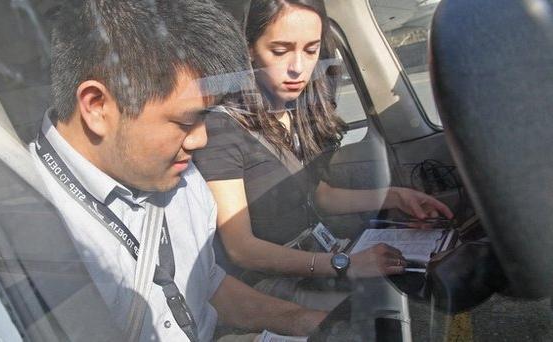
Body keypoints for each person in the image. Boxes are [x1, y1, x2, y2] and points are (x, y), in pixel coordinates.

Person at [30, 0, 327, 340]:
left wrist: (312, 324)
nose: (200, 140)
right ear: (97, 106)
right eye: (187, 121)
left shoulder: (182, 178)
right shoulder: (29, 223)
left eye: (206, 117)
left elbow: (209, 285)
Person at [193, 0, 453, 292]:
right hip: (270, 281)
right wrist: (345, 264)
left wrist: (395, 197)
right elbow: (242, 249)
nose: (298, 68)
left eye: (311, 50)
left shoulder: (293, 112)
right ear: (250, 49)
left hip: (318, 256)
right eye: (280, 51)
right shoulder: (223, 129)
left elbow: (320, 196)